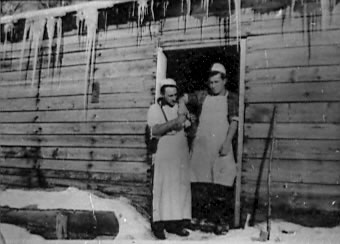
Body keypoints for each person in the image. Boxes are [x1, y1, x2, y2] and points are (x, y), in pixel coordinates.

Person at [180, 63, 238, 233]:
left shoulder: (231, 98)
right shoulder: (203, 96)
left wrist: (227, 142)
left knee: (222, 181)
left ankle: (220, 221)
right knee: (199, 181)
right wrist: (184, 111)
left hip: (221, 145)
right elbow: (183, 98)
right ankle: (200, 218)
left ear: (224, 81)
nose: (213, 86)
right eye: (211, 82)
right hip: (202, 145)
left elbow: (234, 122)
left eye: (216, 82)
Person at [147, 78, 192, 239]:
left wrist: (188, 122)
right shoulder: (155, 109)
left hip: (180, 152)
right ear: (162, 95)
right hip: (164, 153)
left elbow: (188, 124)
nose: (173, 98)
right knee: (163, 188)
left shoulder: (180, 107)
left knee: (178, 188)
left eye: (175, 95)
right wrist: (175, 122)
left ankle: (176, 224)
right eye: (170, 96)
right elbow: (155, 130)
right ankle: (158, 224)